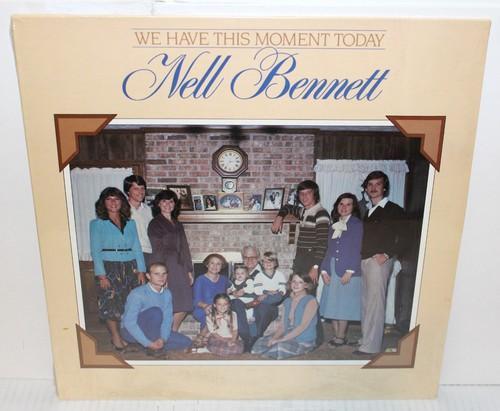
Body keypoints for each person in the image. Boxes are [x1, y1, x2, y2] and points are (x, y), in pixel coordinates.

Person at [354, 171, 407, 356]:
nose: (373, 188)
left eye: (378, 184)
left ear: (384, 188)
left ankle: (371, 347)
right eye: (370, 184)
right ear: (366, 188)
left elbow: (407, 237)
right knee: (366, 303)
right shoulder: (368, 211)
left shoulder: (394, 210)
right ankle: (366, 339)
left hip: (379, 261)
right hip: (365, 260)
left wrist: (387, 254)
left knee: (375, 304)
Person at [90, 187, 146, 351]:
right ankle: (115, 338)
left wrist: (141, 270)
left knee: (129, 303)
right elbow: (95, 250)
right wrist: (101, 275)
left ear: (122, 202)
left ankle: (126, 336)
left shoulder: (130, 223)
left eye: (116, 199)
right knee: (111, 304)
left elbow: (137, 247)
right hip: (109, 267)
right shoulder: (97, 224)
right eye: (109, 199)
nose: (113, 202)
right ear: (103, 203)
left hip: (130, 266)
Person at [319, 193, 363, 347]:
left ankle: (340, 336)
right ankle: (338, 335)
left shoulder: (357, 225)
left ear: (353, 207)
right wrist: (324, 271)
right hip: (332, 267)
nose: (344, 207)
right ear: (337, 206)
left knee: (343, 305)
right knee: (332, 303)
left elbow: (358, 249)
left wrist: (350, 271)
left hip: (347, 268)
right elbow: (328, 250)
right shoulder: (333, 226)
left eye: (348, 204)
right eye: (341, 204)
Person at [120, 263, 192, 357]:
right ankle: (150, 347)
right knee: (155, 312)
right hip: (130, 331)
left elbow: (167, 319)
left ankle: (142, 347)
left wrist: (163, 339)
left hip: (154, 330)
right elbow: (129, 323)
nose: (161, 277)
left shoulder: (167, 294)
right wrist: (147, 343)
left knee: (186, 342)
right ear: (148, 276)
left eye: (164, 274)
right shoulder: (137, 294)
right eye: (156, 274)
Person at [148, 189, 194, 332]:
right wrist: (162, 274)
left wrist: (189, 270)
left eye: (171, 201)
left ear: (175, 204)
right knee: (170, 302)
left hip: (181, 266)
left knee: (185, 302)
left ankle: (172, 331)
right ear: (158, 204)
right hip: (166, 265)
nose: (168, 204)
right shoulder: (155, 224)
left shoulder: (177, 223)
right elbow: (157, 250)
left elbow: (185, 247)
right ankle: (166, 332)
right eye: (164, 201)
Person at [271, 180, 330, 283]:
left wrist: (315, 267)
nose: (304, 196)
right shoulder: (303, 211)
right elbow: (287, 207)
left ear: (315, 194)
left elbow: (322, 243)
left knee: (307, 289)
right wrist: (279, 217)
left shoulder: (321, 213)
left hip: (311, 259)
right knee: (295, 288)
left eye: (308, 193)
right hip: (300, 257)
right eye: (301, 193)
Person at [251, 272, 319, 360]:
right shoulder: (287, 301)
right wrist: (274, 338)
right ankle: (273, 349)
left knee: (279, 347)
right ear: (290, 283)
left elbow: (302, 327)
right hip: (288, 334)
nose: (296, 285)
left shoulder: (311, 301)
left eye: (300, 282)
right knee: (259, 344)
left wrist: (280, 339)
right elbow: (283, 326)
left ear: (306, 285)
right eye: (294, 281)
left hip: (303, 339)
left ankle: (277, 350)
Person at [230, 245, 265, 351]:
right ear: (242, 258)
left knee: (255, 312)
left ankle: (250, 339)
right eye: (246, 257)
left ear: (258, 258)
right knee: (236, 303)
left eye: (253, 257)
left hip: (256, 302)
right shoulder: (237, 271)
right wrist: (233, 292)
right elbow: (230, 286)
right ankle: (247, 337)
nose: (249, 260)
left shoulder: (264, 271)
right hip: (238, 301)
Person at [192, 253, 231, 330]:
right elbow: (196, 301)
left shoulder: (224, 279)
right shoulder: (200, 280)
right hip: (203, 308)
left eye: (218, 264)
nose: (215, 266)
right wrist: (206, 306)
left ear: (221, 266)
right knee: (211, 317)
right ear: (207, 265)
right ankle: (204, 336)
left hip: (221, 308)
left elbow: (230, 291)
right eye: (212, 263)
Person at [252, 251, 287, 336]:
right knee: (262, 306)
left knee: (277, 297)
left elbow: (282, 288)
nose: (268, 263)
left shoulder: (280, 275)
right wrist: (267, 292)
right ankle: (259, 333)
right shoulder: (259, 275)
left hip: (275, 297)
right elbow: (257, 289)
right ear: (262, 263)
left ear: (275, 263)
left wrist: (279, 292)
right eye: (265, 261)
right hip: (264, 297)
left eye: (271, 261)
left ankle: (265, 307)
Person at [123, 175, 153, 268]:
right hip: (129, 254)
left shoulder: (149, 210)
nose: (140, 192)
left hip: (148, 253)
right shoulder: (122, 209)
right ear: (128, 191)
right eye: (136, 188)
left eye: (142, 188)